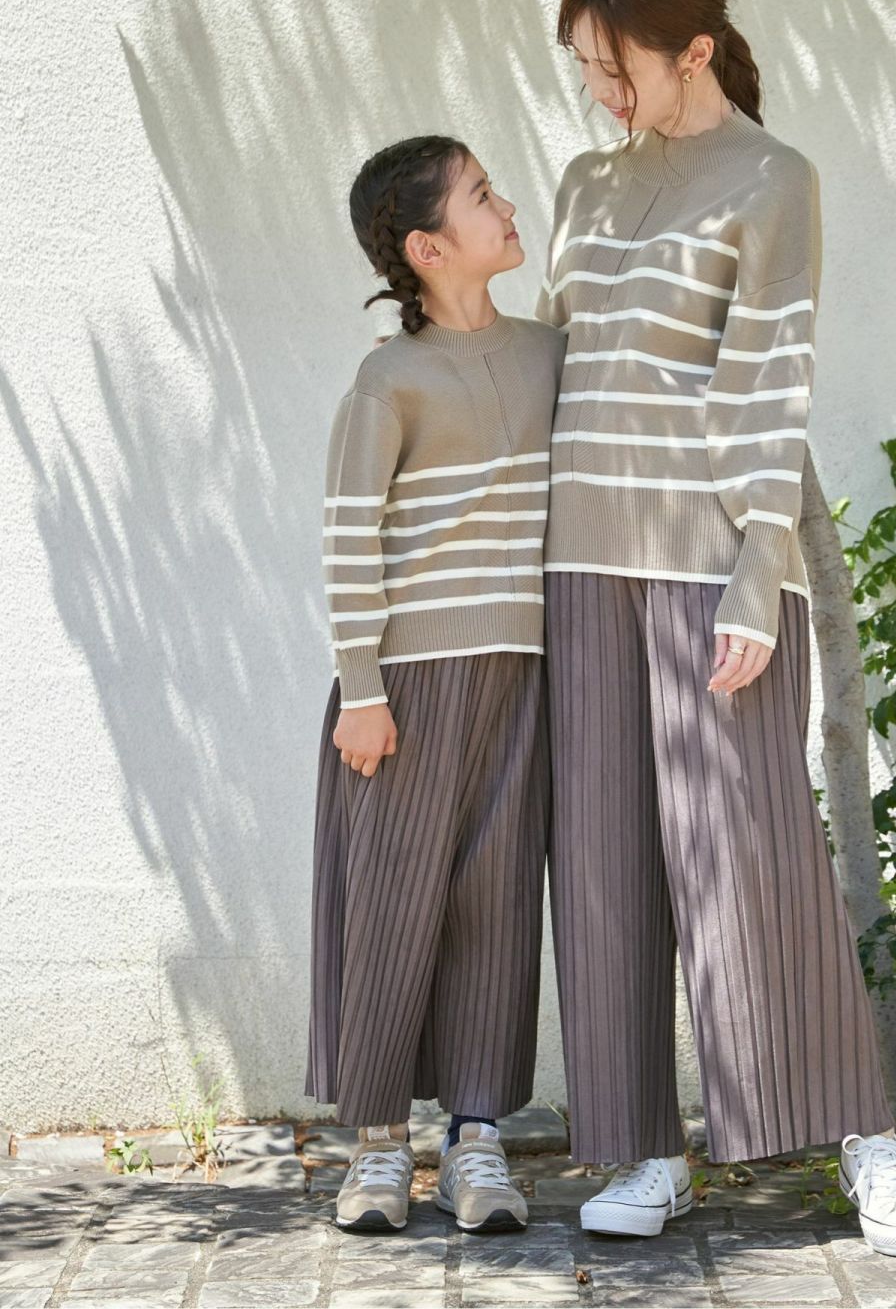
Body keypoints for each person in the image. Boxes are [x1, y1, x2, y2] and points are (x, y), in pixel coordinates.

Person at [535, 0, 896, 1258]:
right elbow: (559, 367)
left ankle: (869, 1145)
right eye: (584, 66)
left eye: (616, 67)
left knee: (753, 858)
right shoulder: (585, 184)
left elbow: (771, 383)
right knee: (605, 867)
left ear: (694, 52)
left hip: (708, 565)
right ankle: (645, 1152)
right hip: (580, 564)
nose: (599, 90)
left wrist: (759, 574)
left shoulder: (774, 179)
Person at [304, 134, 565, 1235]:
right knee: (389, 905)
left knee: (496, 906)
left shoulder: (552, 354)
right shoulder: (389, 380)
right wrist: (360, 686)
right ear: (428, 247)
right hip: (402, 689)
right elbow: (348, 537)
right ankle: (376, 1144)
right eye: (481, 196)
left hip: (521, 674)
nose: (506, 207)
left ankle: (476, 1138)